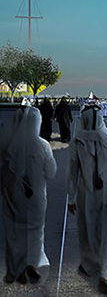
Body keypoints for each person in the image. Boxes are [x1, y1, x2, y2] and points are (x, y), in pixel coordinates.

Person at [67, 102, 107, 295]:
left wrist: (71, 198)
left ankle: (90, 266)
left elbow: (72, 173)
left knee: (88, 230)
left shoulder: (77, 142)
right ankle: (105, 272)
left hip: (86, 193)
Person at [0, 106, 58, 284]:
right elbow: (51, 172)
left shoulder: (6, 145)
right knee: (35, 230)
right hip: (36, 196)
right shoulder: (42, 144)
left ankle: (16, 268)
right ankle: (32, 264)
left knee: (14, 232)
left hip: (12, 197)